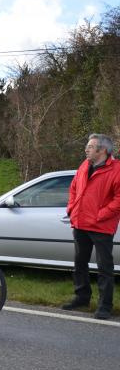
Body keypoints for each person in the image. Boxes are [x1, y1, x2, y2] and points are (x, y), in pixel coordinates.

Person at [63, 133, 120, 320]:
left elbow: (118, 200)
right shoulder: (84, 165)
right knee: (80, 263)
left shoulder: (117, 170)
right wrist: (71, 208)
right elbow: (73, 188)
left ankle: (105, 306)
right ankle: (82, 297)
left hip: (101, 226)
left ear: (102, 150)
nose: (86, 149)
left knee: (104, 267)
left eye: (90, 146)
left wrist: (100, 215)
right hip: (80, 223)